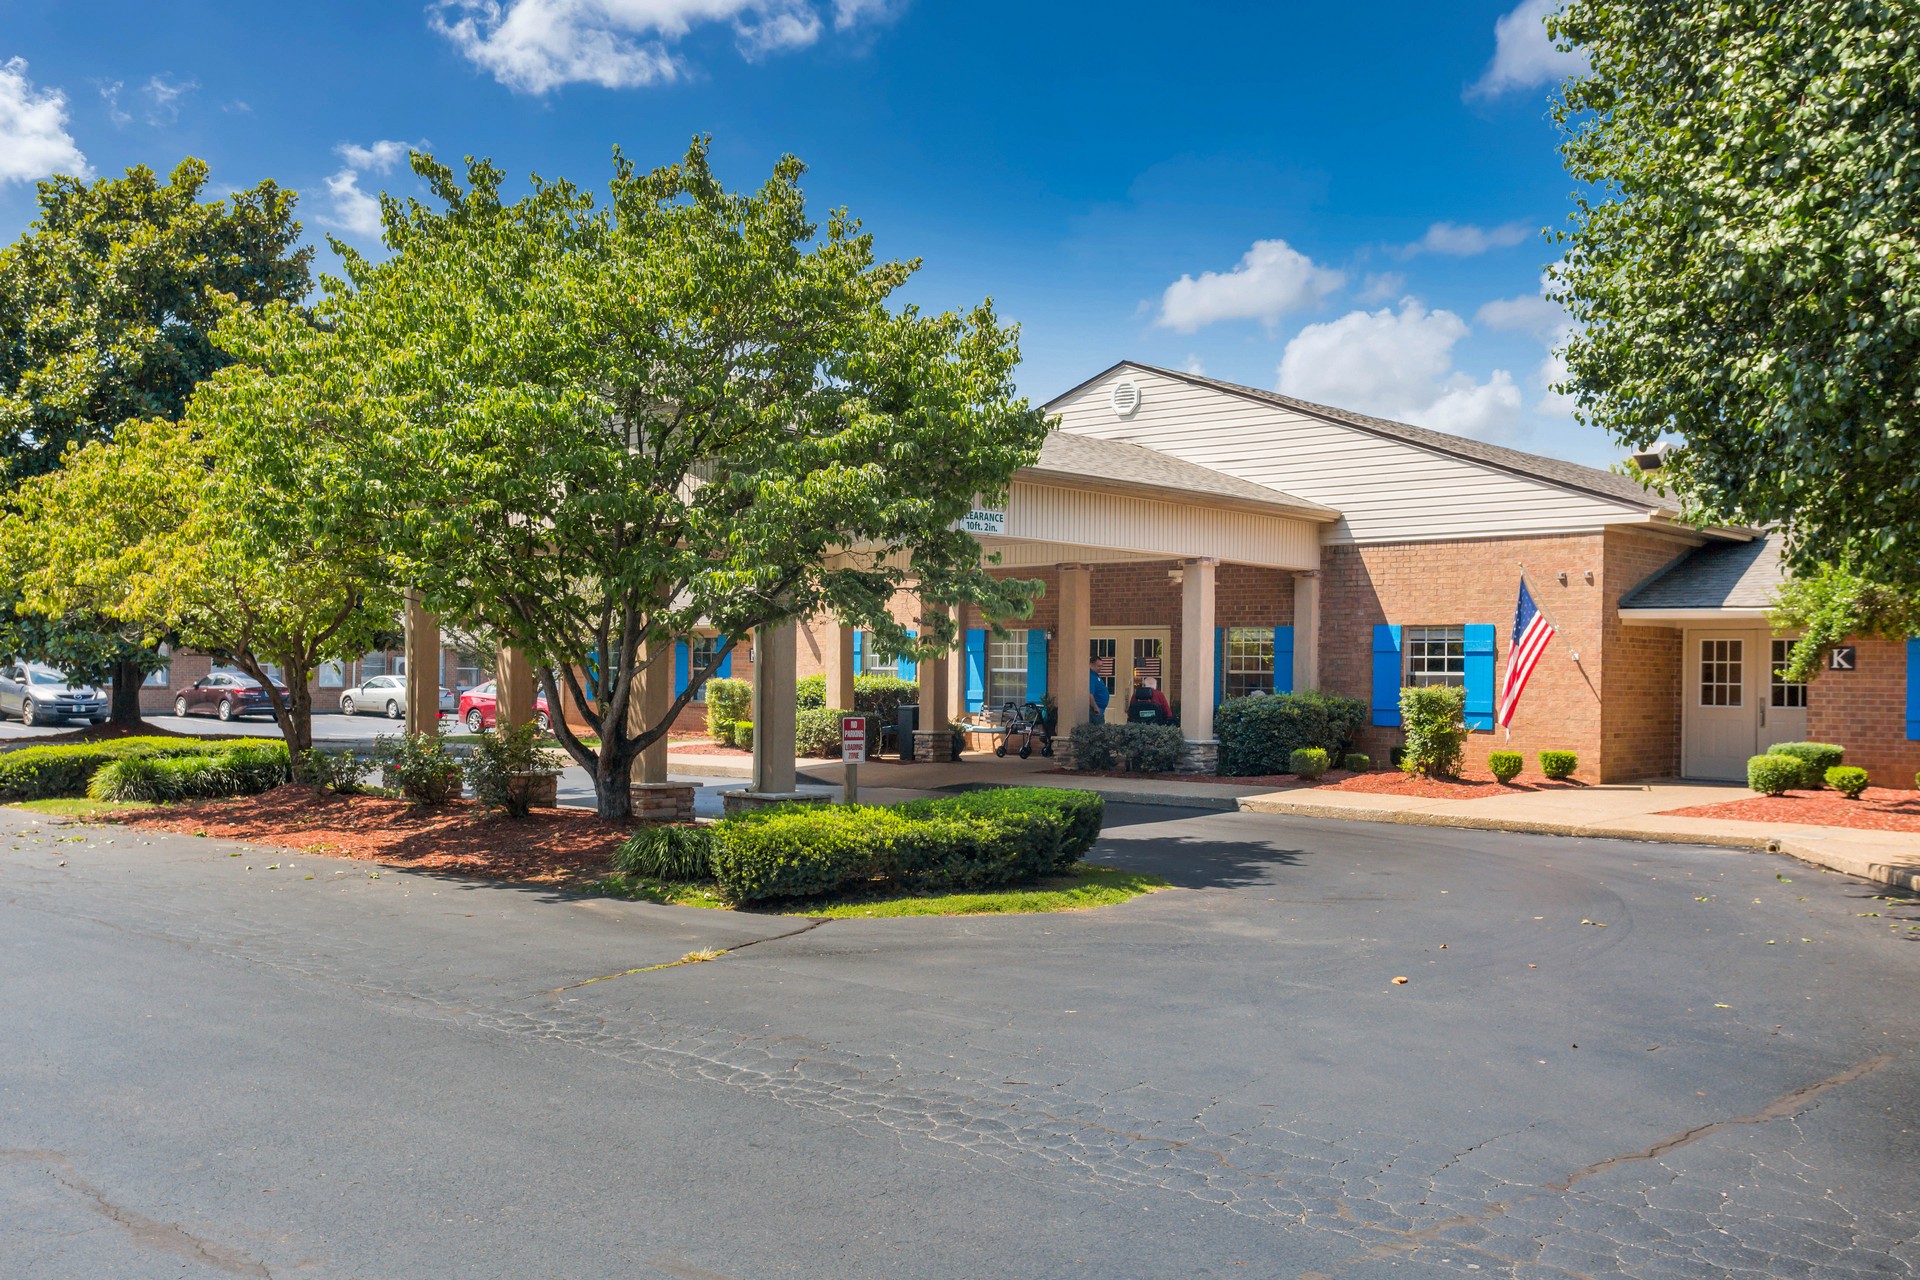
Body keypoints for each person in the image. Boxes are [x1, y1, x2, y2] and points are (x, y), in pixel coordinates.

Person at [1088, 656, 1111, 722]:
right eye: (1098, 666)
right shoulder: (1091, 677)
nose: (1100, 668)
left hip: (1100, 708)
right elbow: (1090, 694)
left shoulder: (1096, 676)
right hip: (1095, 709)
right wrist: (1095, 707)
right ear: (1091, 665)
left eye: (1101, 666)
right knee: (1099, 730)